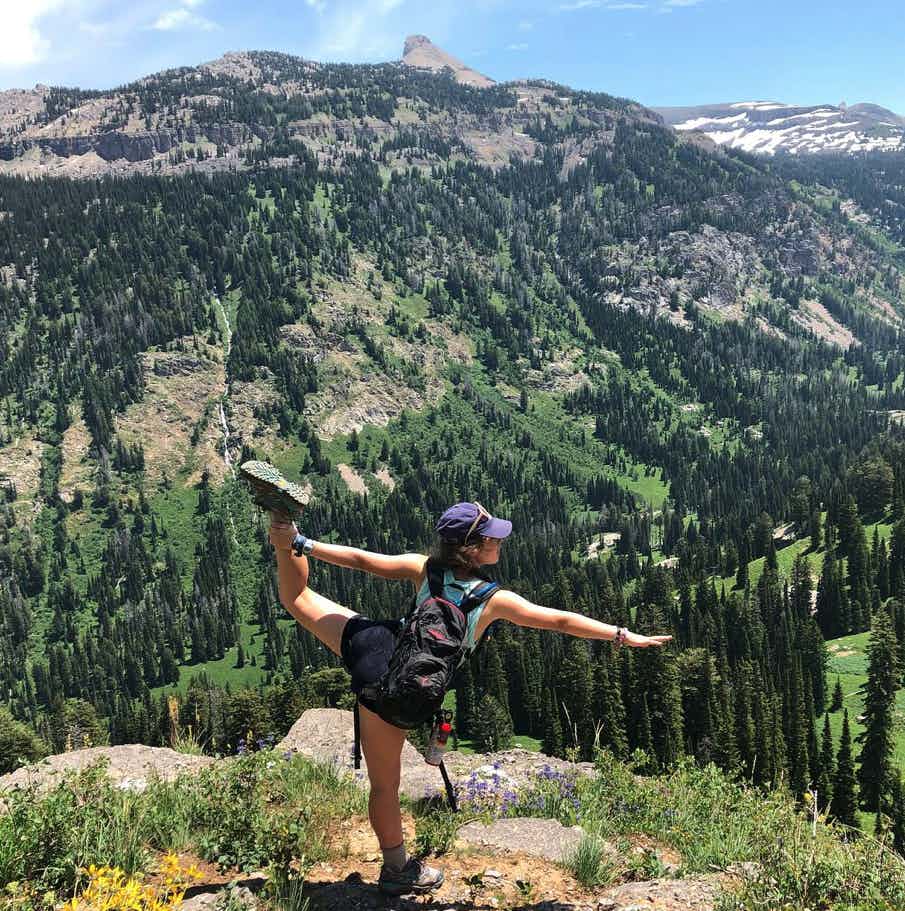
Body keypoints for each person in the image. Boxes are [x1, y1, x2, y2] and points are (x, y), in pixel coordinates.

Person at [258, 480, 672, 896]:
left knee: (298, 599)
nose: (499, 542)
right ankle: (397, 870)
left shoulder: (424, 568)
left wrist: (303, 543)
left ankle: (283, 527)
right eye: (492, 538)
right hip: (398, 687)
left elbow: (364, 561)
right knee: (386, 785)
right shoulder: (493, 600)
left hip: (376, 645)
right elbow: (560, 621)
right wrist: (621, 634)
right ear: (472, 549)